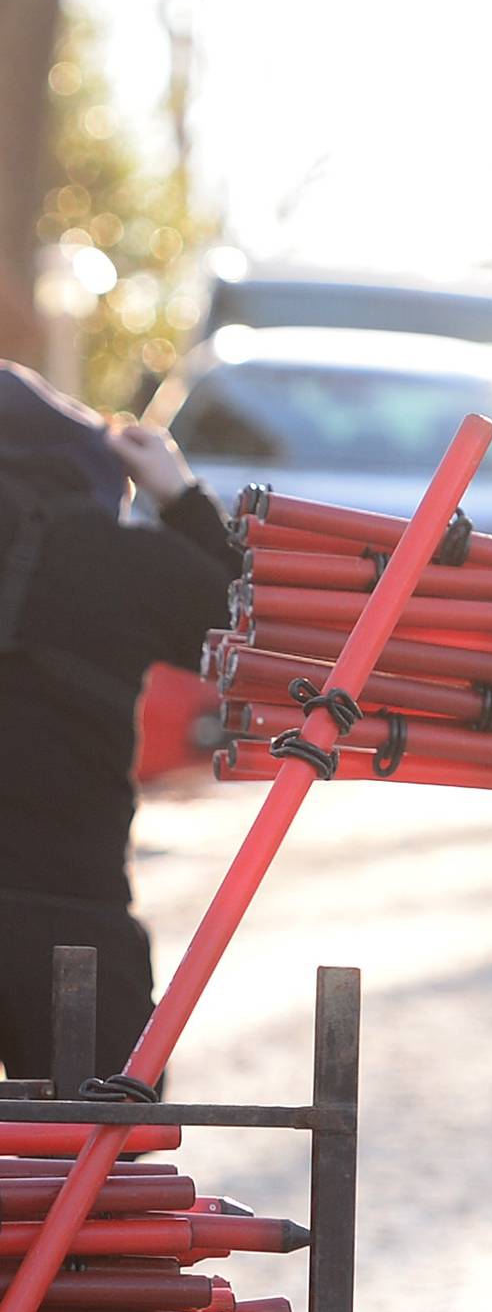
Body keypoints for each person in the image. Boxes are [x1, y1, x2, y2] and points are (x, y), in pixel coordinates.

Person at [0, 365, 238, 1080]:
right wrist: (181, 496)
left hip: (72, 904)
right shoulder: (125, 560)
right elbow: (252, 630)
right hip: (71, 913)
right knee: (97, 1166)